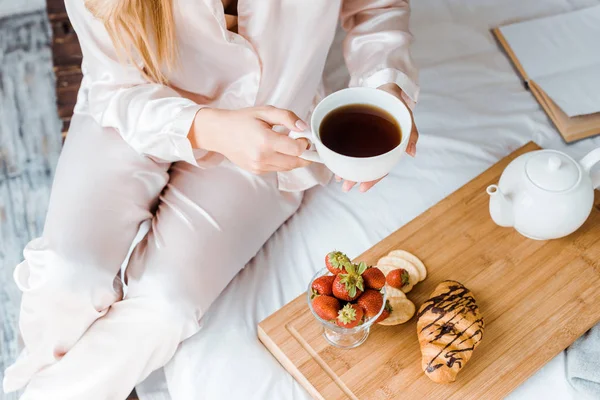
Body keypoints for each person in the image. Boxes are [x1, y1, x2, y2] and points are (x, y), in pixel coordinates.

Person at [3, 0, 419, 398]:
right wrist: (210, 129)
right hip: (134, 105)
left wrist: (387, 89)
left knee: (166, 306)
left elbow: (376, 8)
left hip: (272, 132)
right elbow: (114, 86)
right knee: (66, 278)